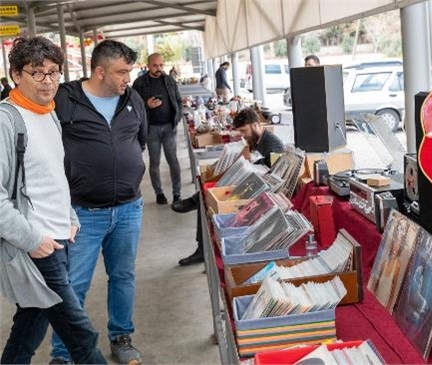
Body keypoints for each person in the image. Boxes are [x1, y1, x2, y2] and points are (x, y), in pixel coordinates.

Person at [0, 36, 107, 365]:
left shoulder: (48, 114)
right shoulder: (7, 120)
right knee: (80, 334)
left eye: (54, 72)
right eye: (38, 73)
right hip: (36, 245)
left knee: (31, 323)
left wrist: (70, 218)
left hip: (59, 238)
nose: (48, 82)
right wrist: (33, 240)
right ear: (16, 74)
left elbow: (49, 177)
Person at [49, 40, 148, 365]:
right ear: (100, 70)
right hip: (82, 213)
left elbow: (139, 140)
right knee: (73, 285)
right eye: (121, 72)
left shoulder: (132, 98)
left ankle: (121, 337)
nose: (127, 78)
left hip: (128, 209)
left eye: (129, 71)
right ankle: (64, 354)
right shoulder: (65, 98)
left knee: (123, 277)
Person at [172, 107, 284, 265]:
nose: (243, 135)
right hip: (249, 183)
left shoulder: (273, 145)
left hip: (261, 192)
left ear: (255, 125)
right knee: (209, 196)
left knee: (209, 199)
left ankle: (196, 211)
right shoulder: (254, 141)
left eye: (244, 131)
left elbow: (271, 176)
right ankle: (201, 245)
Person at [132, 53, 183, 205]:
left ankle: (177, 194)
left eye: (161, 65)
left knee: (173, 161)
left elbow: (178, 101)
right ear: (148, 65)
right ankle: (159, 193)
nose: (159, 68)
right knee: (154, 162)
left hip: (169, 127)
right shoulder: (139, 83)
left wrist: (177, 117)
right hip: (151, 129)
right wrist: (146, 104)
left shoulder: (169, 80)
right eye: (155, 65)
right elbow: (132, 106)